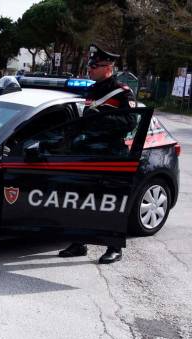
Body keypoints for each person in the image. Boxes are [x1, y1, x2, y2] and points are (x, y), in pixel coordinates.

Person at [58, 43, 137, 265]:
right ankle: (79, 242)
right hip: (88, 152)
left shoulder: (122, 92)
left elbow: (130, 121)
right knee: (82, 199)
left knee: (110, 201)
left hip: (111, 154)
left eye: (94, 66)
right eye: (90, 65)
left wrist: (99, 122)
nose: (90, 69)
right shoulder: (92, 91)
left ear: (108, 68)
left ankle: (114, 247)